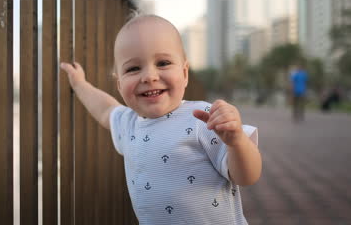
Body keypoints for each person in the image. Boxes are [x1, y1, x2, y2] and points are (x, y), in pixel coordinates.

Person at [60, 14, 262, 224]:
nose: (149, 76)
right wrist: (79, 84)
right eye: (133, 68)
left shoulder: (203, 118)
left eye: (163, 63)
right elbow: (104, 109)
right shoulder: (129, 123)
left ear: (184, 74)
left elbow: (247, 176)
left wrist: (237, 141)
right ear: (119, 85)